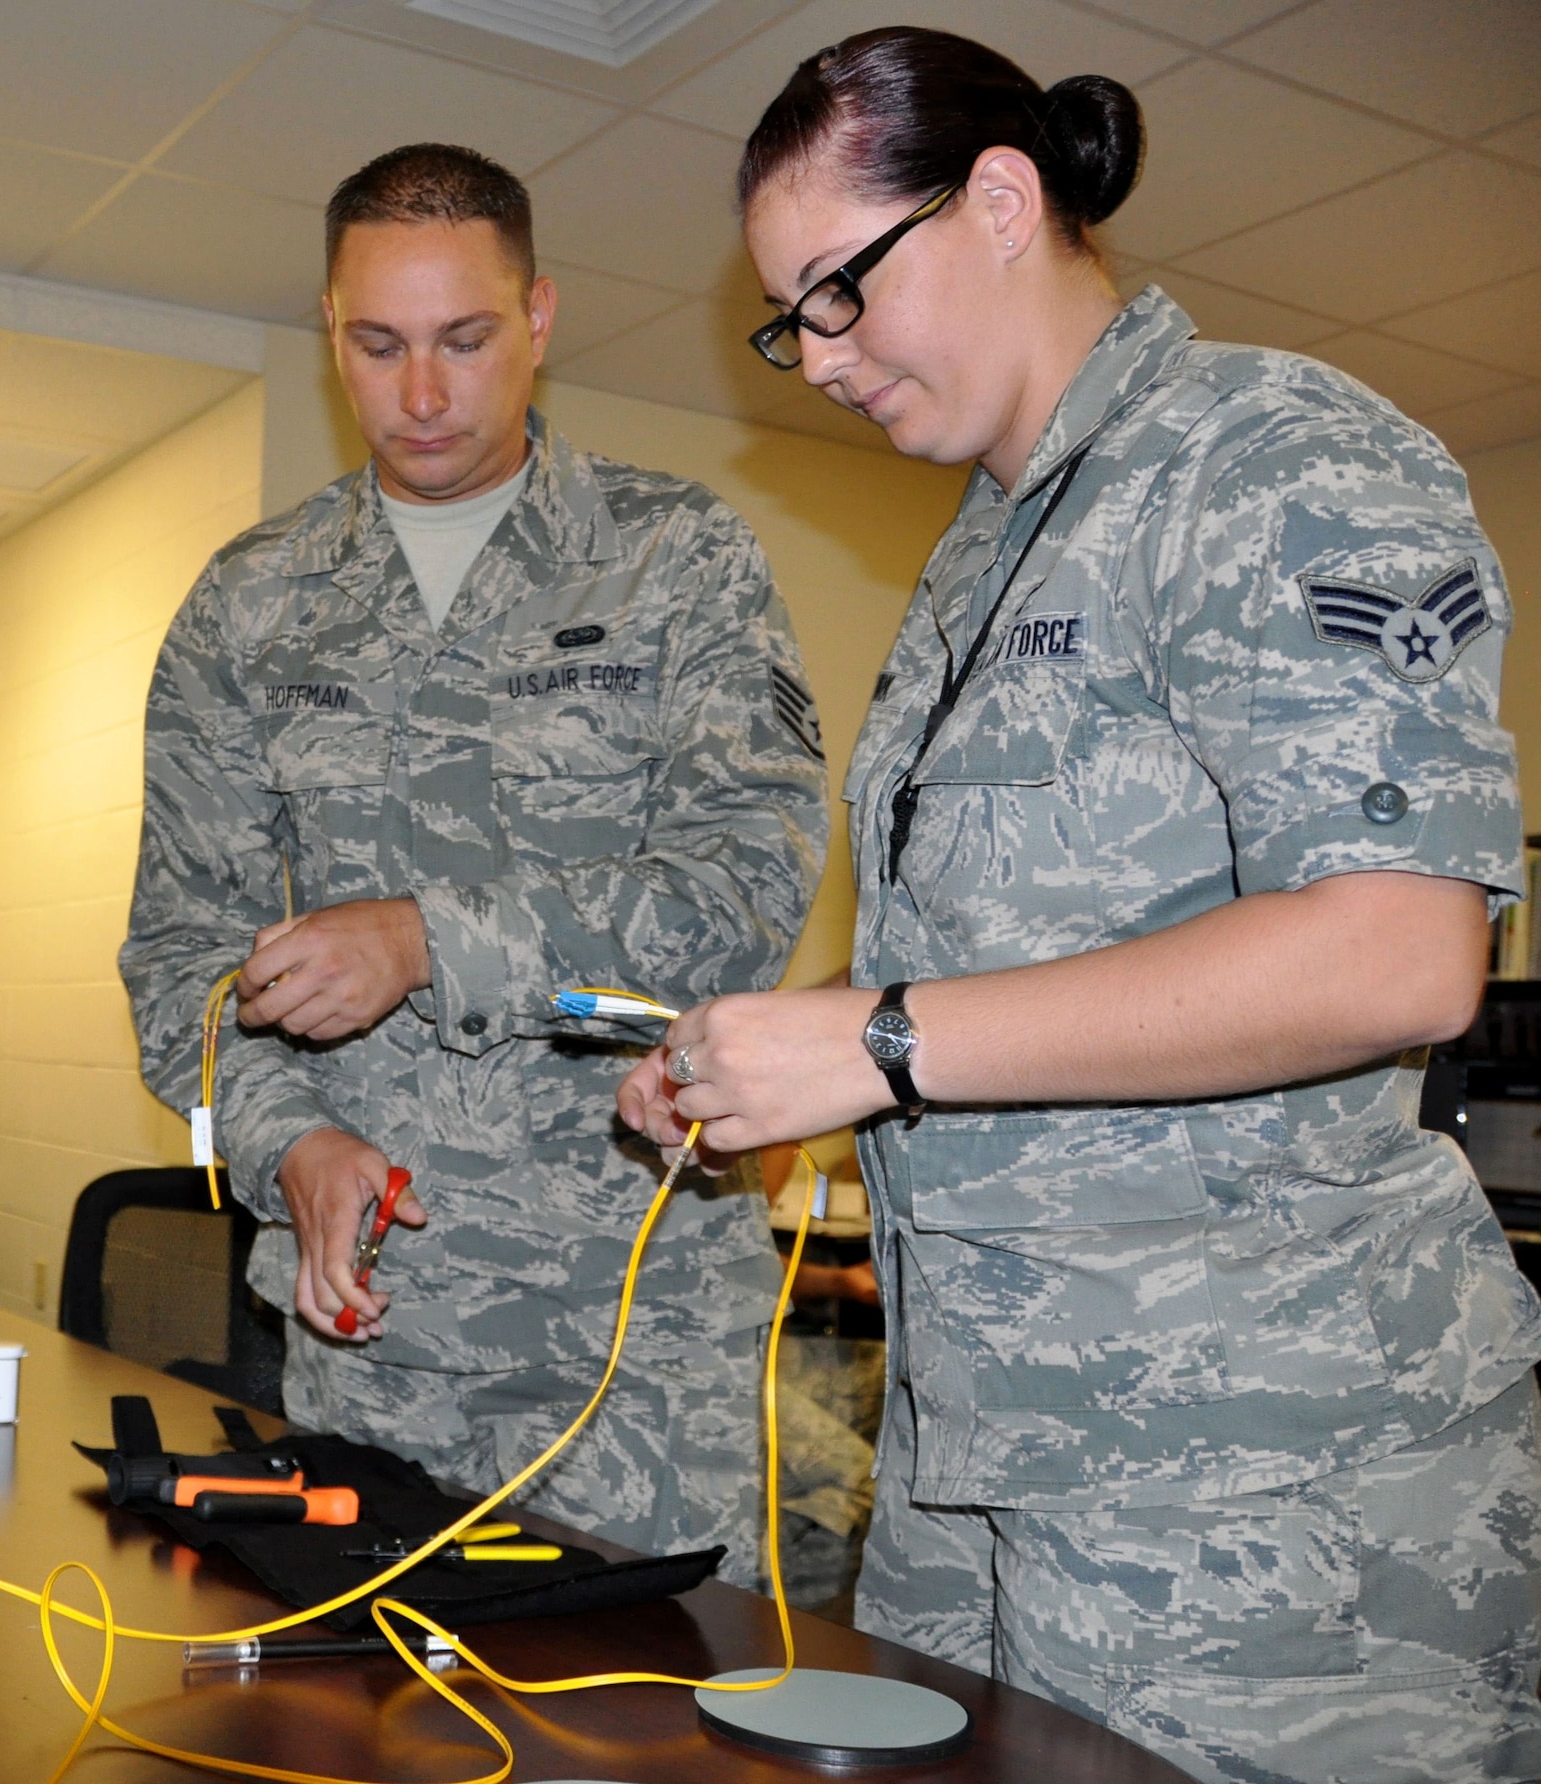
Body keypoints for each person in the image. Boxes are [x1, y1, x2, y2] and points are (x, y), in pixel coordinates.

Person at [619, 27, 1541, 1784]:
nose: (815, 356)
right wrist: (779, 1056)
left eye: (837, 293)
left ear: (999, 202)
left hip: (1267, 1499)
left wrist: (877, 1044)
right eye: (783, 317)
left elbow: (1402, 948)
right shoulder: (990, 547)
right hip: (988, 1458)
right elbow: (1002, 953)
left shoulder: (1263, 457)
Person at [119, 143, 829, 1578]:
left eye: (466, 339)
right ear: (331, 331)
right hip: (364, 1342)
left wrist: (428, 940)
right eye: (379, 346)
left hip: (636, 1344)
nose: (424, 395)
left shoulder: (675, 561)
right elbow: (180, 959)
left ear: (541, 319)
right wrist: (290, 1143)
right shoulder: (251, 607)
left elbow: (740, 895)